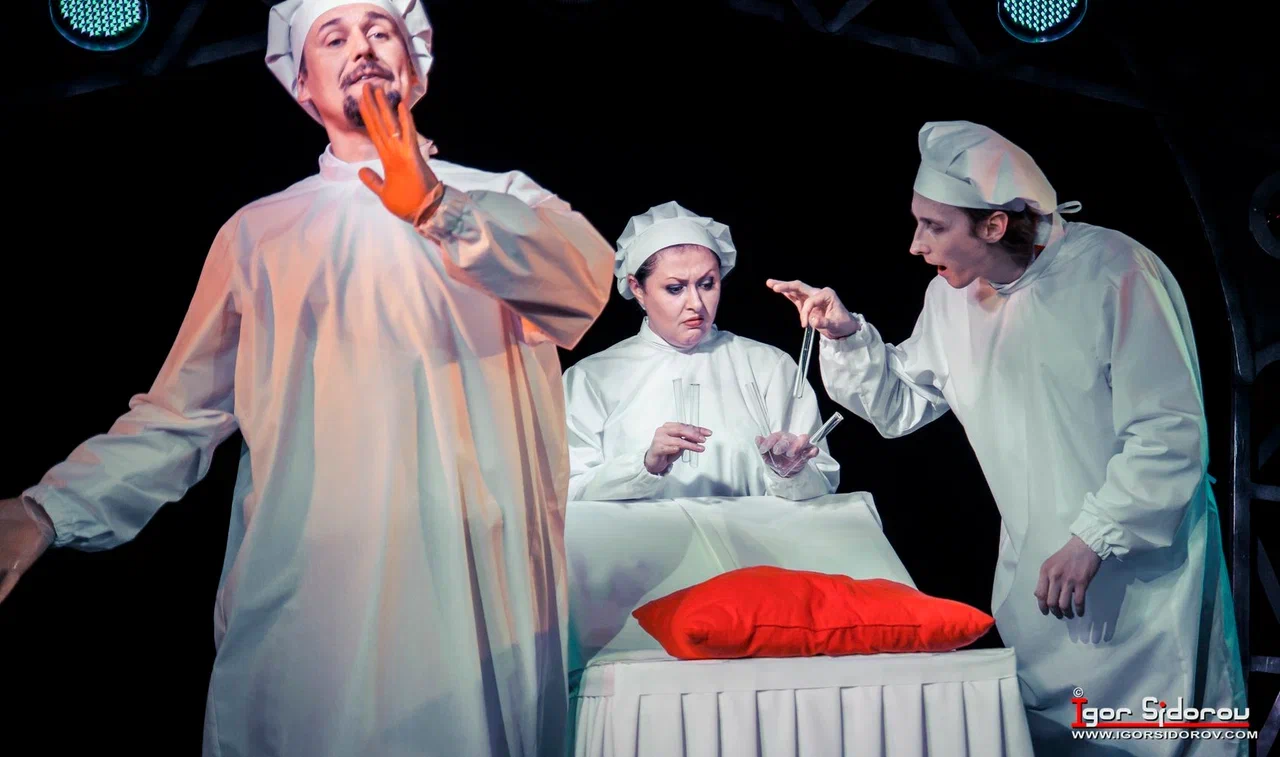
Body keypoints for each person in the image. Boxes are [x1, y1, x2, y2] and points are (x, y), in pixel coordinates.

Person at [0, 1, 615, 755]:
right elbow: (180, 415)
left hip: (472, 580)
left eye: (381, 30)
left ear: (417, 67)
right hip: (311, 585)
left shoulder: (506, 198)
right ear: (302, 85)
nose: (363, 46)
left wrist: (438, 209)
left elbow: (581, 287)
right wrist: (50, 509)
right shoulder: (260, 232)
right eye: (335, 36)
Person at [768, 121, 1246, 755]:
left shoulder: (1115, 272)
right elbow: (902, 405)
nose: (915, 245)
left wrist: (1095, 536)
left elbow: (1167, 431)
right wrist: (845, 334)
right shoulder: (951, 300)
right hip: (1039, 584)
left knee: (1154, 737)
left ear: (994, 225)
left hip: (1144, 583)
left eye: (934, 226)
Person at [564, 201, 839, 503]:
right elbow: (565, 491)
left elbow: (822, 485)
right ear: (638, 288)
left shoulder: (768, 366)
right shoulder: (591, 378)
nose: (695, 303)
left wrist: (791, 473)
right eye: (675, 288)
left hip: (747, 535)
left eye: (707, 284)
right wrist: (644, 466)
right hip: (640, 536)